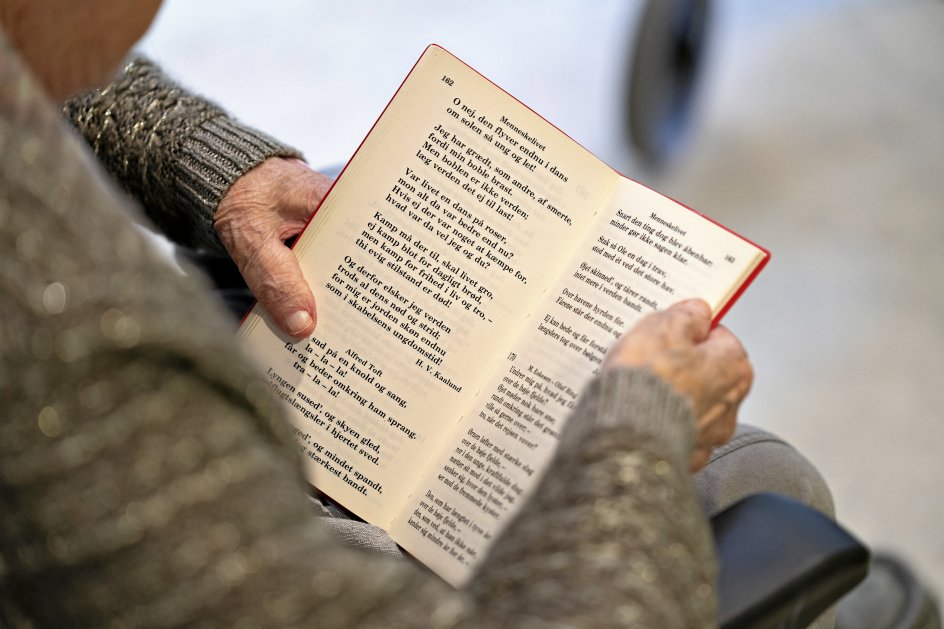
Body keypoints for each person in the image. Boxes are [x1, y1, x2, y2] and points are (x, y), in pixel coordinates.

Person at [0, 1, 833, 626]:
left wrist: (206, 163)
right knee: (765, 480)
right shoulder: (61, 332)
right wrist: (636, 433)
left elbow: (31, 41)